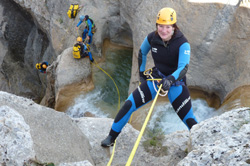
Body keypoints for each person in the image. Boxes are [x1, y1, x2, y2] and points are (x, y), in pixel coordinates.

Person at [101, 7, 198, 147]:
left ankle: (201, 144)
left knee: (189, 119)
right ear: (156, 25)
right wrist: (142, 75)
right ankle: (111, 137)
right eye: (160, 26)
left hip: (175, 84)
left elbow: (183, 67)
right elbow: (142, 53)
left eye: (167, 27)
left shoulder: (182, 43)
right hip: (156, 79)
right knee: (129, 104)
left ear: (174, 27)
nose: (163, 30)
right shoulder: (152, 38)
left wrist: (170, 80)